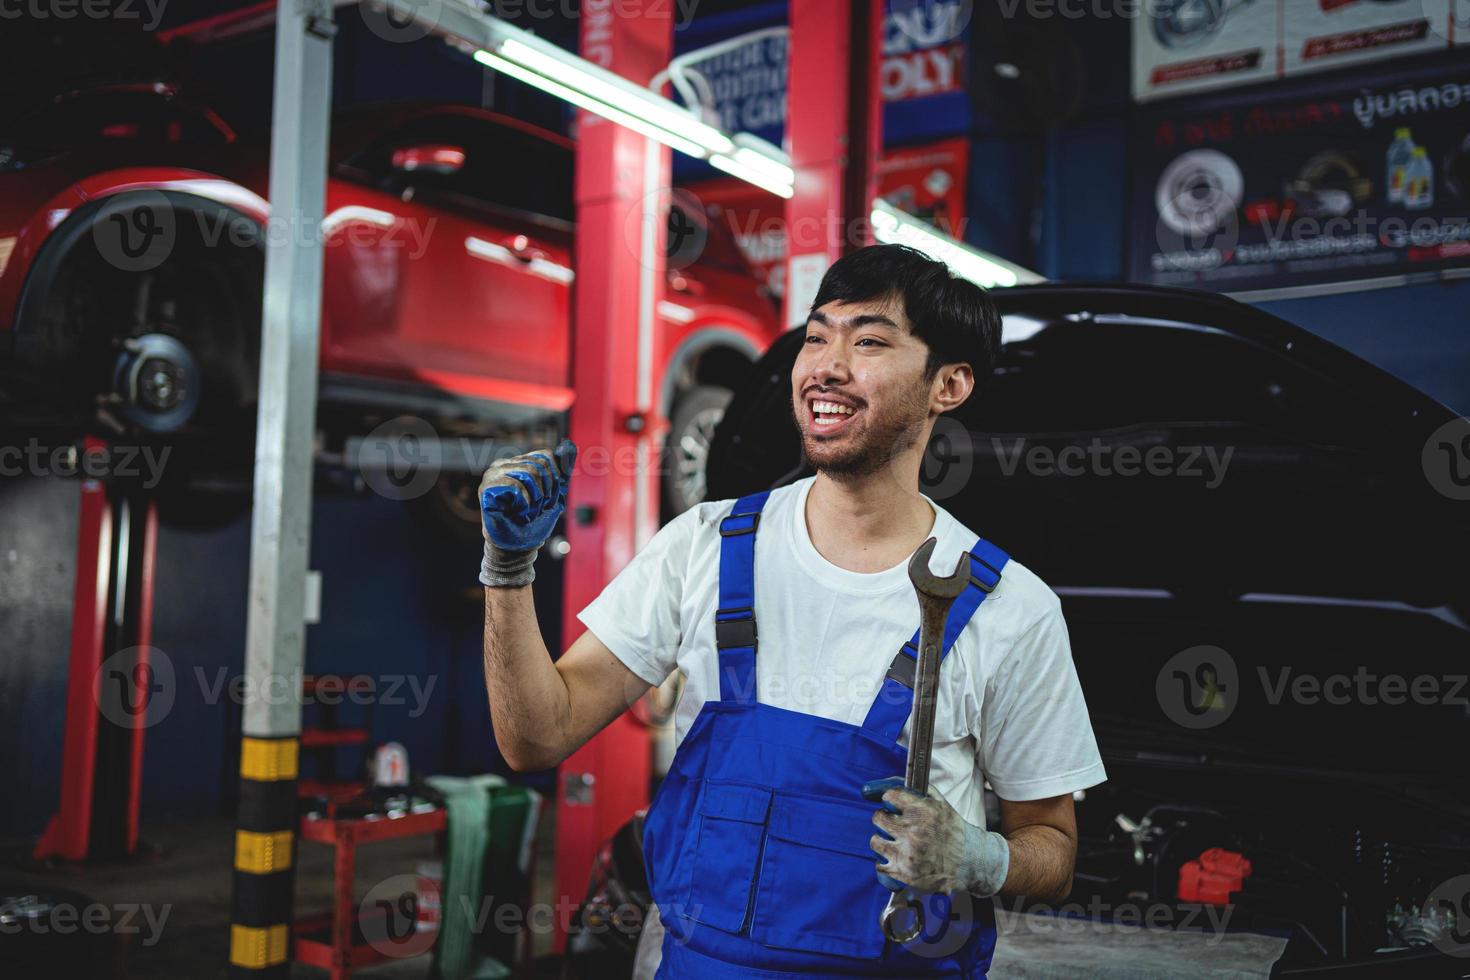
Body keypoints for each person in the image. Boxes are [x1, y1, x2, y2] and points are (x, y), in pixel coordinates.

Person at [478, 244, 1106, 977]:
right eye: (816, 337)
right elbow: (537, 737)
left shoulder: (1009, 608)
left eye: (868, 340)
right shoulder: (704, 548)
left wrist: (982, 856)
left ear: (950, 384)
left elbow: (1053, 849)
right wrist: (507, 572)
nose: (826, 366)